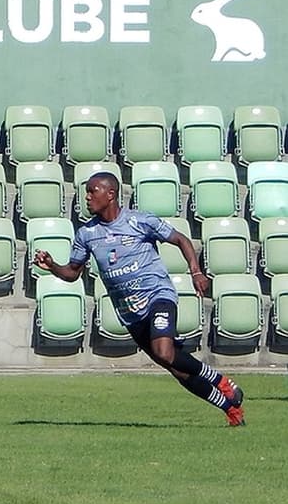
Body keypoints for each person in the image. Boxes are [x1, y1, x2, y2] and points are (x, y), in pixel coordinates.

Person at [32, 171, 245, 426]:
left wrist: (196, 271)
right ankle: (230, 409)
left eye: (92, 191)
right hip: (131, 313)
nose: (87, 197)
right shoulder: (87, 234)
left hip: (159, 296)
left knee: (164, 351)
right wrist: (53, 265)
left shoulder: (139, 221)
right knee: (174, 367)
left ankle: (222, 381)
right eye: (86, 192)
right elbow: (72, 274)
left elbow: (180, 239)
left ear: (110, 194)